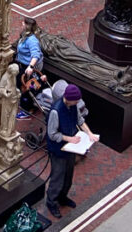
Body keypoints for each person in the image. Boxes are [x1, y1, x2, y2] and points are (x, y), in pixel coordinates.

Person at [45, 83, 99, 219]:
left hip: (70, 147)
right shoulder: (55, 111)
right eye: (75, 100)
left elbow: (80, 121)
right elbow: (52, 134)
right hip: (58, 149)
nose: (77, 103)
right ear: (68, 99)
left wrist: (90, 133)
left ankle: (63, 197)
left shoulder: (73, 106)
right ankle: (51, 202)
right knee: (57, 177)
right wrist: (70, 139)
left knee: (68, 175)